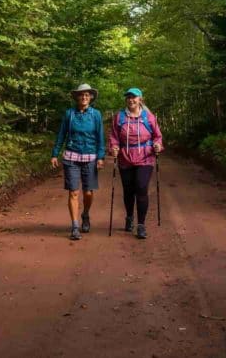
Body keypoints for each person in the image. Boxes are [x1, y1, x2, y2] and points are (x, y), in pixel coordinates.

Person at [51, 83, 105, 240]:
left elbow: (100, 137)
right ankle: (75, 226)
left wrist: (100, 157)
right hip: (71, 157)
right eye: (81, 95)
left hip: (90, 157)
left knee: (88, 192)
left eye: (87, 95)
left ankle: (85, 214)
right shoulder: (70, 114)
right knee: (74, 191)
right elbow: (61, 135)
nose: (84, 97)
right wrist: (55, 153)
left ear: (91, 97)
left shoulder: (96, 115)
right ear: (76, 97)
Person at [109, 87, 163, 239]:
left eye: (134, 97)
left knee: (141, 187)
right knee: (128, 191)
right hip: (125, 158)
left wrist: (158, 145)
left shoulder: (149, 117)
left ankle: (141, 225)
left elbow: (157, 136)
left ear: (140, 99)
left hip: (145, 157)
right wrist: (114, 147)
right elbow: (114, 136)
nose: (131, 99)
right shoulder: (119, 117)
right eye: (128, 97)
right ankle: (129, 217)